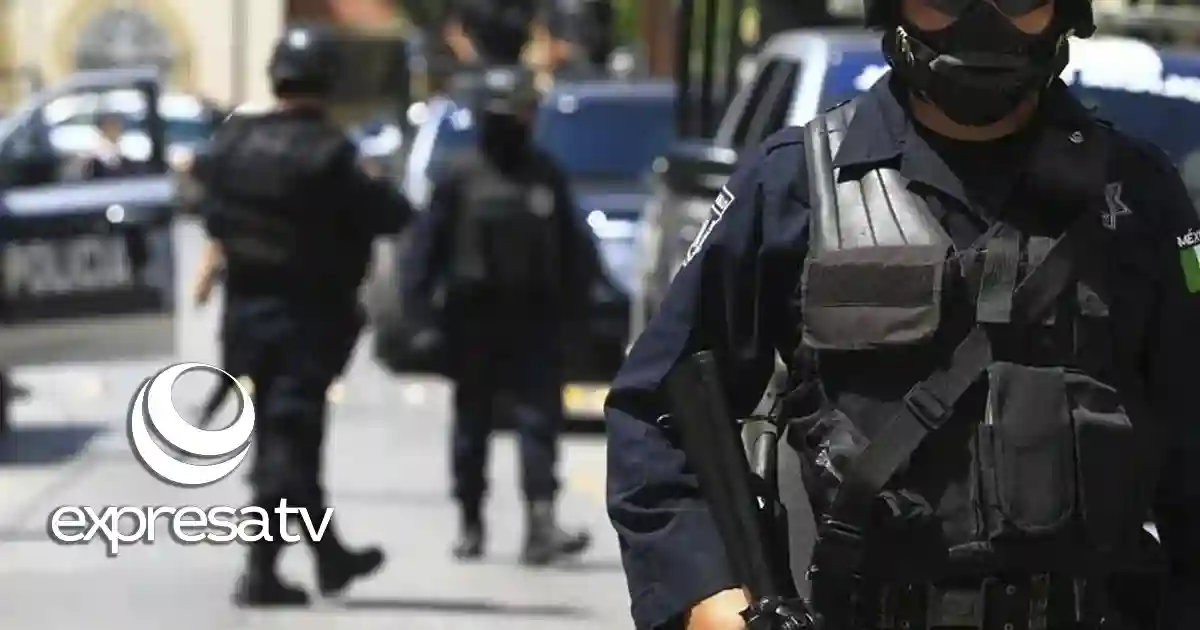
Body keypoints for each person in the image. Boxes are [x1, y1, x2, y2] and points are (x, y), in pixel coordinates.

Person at [605, 0, 1200, 629]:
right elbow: (655, 410)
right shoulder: (793, 186)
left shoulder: (1139, 196)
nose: (982, 20)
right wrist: (708, 598)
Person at [190, 24, 414, 606]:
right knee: (287, 448)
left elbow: (210, 212)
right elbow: (392, 215)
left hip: (246, 323)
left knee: (287, 444)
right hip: (307, 325)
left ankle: (326, 556)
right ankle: (262, 571)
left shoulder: (234, 143)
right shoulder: (332, 155)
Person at [402, 65, 601, 565]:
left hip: (534, 318)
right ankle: (471, 522)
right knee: (473, 427)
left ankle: (540, 524)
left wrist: (580, 314)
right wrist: (419, 319)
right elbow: (425, 250)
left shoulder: (544, 174)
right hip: (473, 320)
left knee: (538, 423)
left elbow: (573, 250)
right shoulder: (460, 175)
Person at [80, 113, 140, 179]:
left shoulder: (121, 153)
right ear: (104, 128)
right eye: (113, 126)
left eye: (118, 126)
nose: (118, 130)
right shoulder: (97, 157)